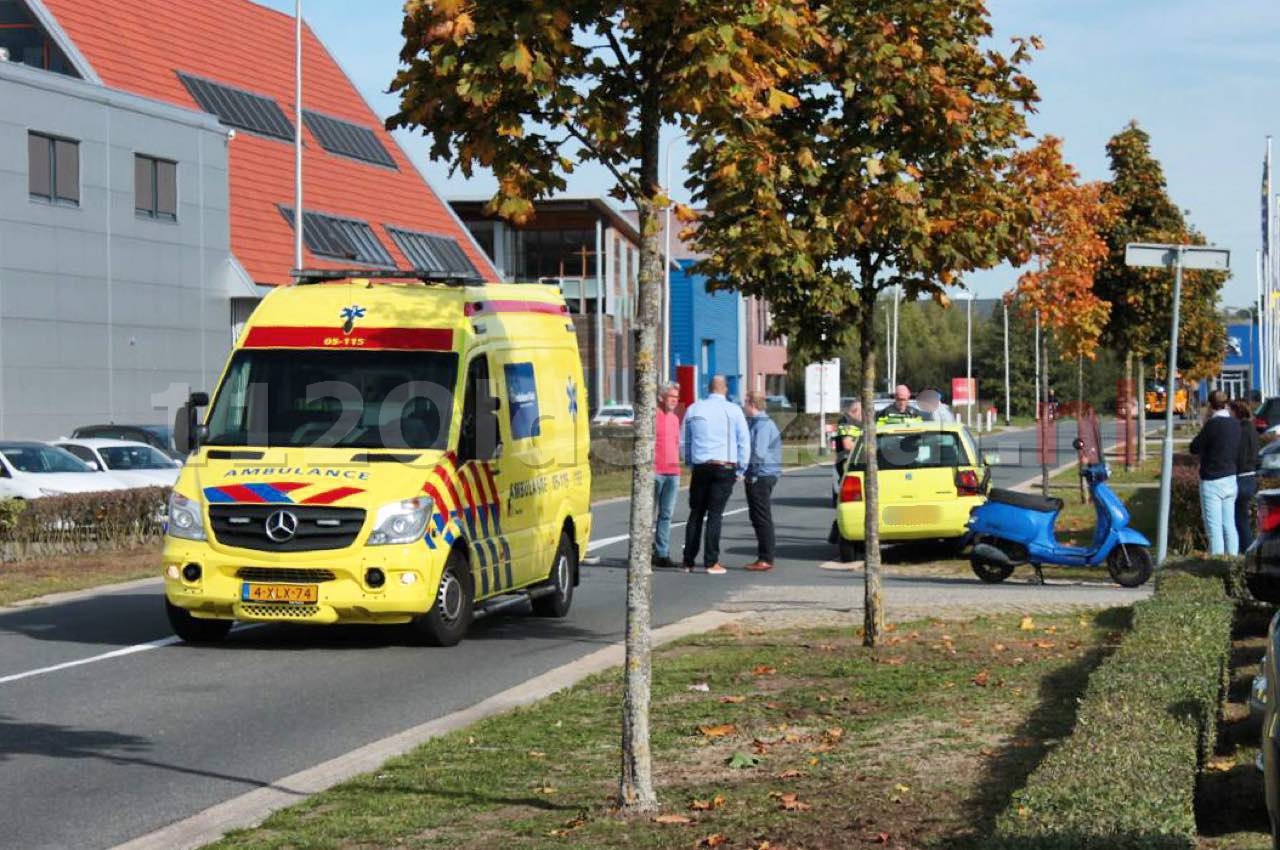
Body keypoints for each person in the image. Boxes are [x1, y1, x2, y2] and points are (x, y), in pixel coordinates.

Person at [681, 375, 750, 575]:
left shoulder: (694, 408)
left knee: (696, 513)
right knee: (715, 514)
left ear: (708, 389)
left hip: (701, 465)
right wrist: (741, 469)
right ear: (725, 389)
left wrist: (690, 461)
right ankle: (711, 561)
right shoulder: (733, 410)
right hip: (724, 465)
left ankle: (688, 561)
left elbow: (685, 440)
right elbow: (743, 441)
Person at [1189, 390, 1241, 556]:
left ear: (1210, 406)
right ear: (1226, 404)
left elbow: (1194, 447)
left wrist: (1205, 422)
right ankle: (1233, 563)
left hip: (1212, 480)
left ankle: (1216, 566)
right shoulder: (1235, 424)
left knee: (1214, 529)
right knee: (1229, 525)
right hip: (1231, 478)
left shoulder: (1212, 425)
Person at [742, 391, 782, 571]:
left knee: (761, 516)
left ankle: (766, 557)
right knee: (758, 515)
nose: (743, 406)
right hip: (763, 473)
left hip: (761, 475)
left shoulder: (762, 424)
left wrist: (747, 472)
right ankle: (764, 555)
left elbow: (758, 452)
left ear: (752, 404)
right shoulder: (758, 423)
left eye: (745, 402)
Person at [651, 383, 682, 569]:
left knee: (666, 514)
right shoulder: (652, 416)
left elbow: (676, 444)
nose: (674, 401)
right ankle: (643, 550)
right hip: (655, 472)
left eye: (677, 398)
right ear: (661, 397)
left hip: (673, 473)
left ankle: (662, 552)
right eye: (671, 396)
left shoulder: (675, 419)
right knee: (648, 514)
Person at [1232, 398, 1260, 551]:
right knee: (1241, 518)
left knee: (1240, 520)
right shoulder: (1252, 429)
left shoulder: (1241, 431)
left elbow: (1241, 456)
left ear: (1236, 412)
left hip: (1241, 478)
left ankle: (1247, 551)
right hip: (1251, 477)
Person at [833, 399, 862, 478]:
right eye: (862, 413)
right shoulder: (846, 422)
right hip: (847, 463)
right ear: (855, 411)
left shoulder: (853, 421)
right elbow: (848, 445)